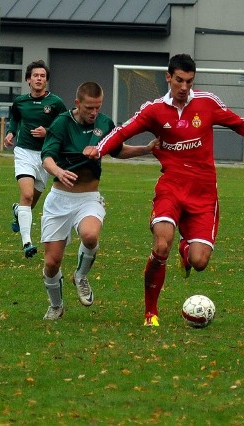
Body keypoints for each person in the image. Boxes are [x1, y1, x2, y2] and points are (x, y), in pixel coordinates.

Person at [84, 53, 244, 327]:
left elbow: (239, 123)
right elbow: (123, 131)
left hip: (203, 194)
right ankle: (151, 313)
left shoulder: (207, 103)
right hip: (171, 188)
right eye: (179, 80)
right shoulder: (154, 110)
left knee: (199, 262)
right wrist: (99, 148)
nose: (184, 87)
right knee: (161, 245)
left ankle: (187, 251)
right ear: (168, 77)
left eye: (189, 81)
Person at [40, 82, 158, 320]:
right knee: (52, 262)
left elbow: (118, 150)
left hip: (89, 198)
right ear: (77, 104)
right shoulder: (62, 123)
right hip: (60, 200)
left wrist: (146, 149)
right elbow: (47, 157)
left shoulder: (104, 124)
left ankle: (81, 276)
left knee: (90, 235)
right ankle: (56, 306)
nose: (94, 113)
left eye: (97, 107)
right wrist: (58, 172)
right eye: (89, 108)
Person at [4, 60, 67, 258]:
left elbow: (65, 125)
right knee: (28, 195)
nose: (39, 79)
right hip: (24, 152)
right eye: (35, 75)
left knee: (30, 202)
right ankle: (27, 243)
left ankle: (17, 210)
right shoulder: (20, 102)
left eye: (42, 76)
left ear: (46, 81)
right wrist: (11, 132)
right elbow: (14, 118)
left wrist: (47, 131)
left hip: (46, 157)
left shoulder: (55, 103)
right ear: (28, 80)